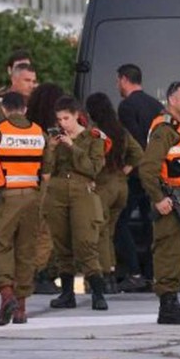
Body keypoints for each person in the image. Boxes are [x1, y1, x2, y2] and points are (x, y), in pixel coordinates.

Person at [0, 92, 46, 325]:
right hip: (33, 198)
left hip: (6, 198)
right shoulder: (39, 132)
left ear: (5, 110)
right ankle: (21, 310)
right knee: (26, 251)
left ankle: (7, 297)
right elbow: (46, 171)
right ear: (24, 109)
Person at [138, 81, 180, 325]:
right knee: (169, 252)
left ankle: (173, 302)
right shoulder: (165, 129)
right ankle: (167, 306)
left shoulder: (179, 128)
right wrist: (158, 198)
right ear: (172, 101)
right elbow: (147, 168)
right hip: (170, 203)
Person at [42, 96, 108, 310]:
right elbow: (46, 170)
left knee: (85, 242)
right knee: (62, 243)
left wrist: (73, 147)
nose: (62, 123)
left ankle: (98, 292)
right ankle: (67, 293)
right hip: (58, 191)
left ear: (77, 116)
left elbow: (93, 168)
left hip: (82, 192)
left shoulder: (93, 137)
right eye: (59, 119)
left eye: (66, 118)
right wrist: (50, 149)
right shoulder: (56, 139)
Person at [0, 61, 38, 292]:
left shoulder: (29, 105)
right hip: (3, 180)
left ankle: (14, 284)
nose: (31, 85)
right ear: (14, 80)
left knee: (23, 238)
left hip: (25, 180)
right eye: (27, 80)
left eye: (34, 81)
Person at [86, 93, 144, 294]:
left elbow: (93, 161)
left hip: (103, 186)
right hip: (121, 186)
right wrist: (125, 170)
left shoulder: (95, 133)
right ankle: (111, 271)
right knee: (110, 231)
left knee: (100, 233)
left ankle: (106, 275)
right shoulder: (121, 131)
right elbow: (138, 154)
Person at [114, 63, 164, 293]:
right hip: (155, 172)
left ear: (124, 79)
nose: (118, 86)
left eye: (118, 81)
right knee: (150, 224)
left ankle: (134, 271)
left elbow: (132, 141)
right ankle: (152, 273)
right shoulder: (156, 105)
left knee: (120, 221)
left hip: (135, 174)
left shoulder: (126, 107)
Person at [26, 82, 66, 295]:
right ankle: (38, 273)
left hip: (26, 186)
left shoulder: (28, 128)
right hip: (45, 186)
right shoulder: (47, 135)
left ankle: (33, 272)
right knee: (45, 232)